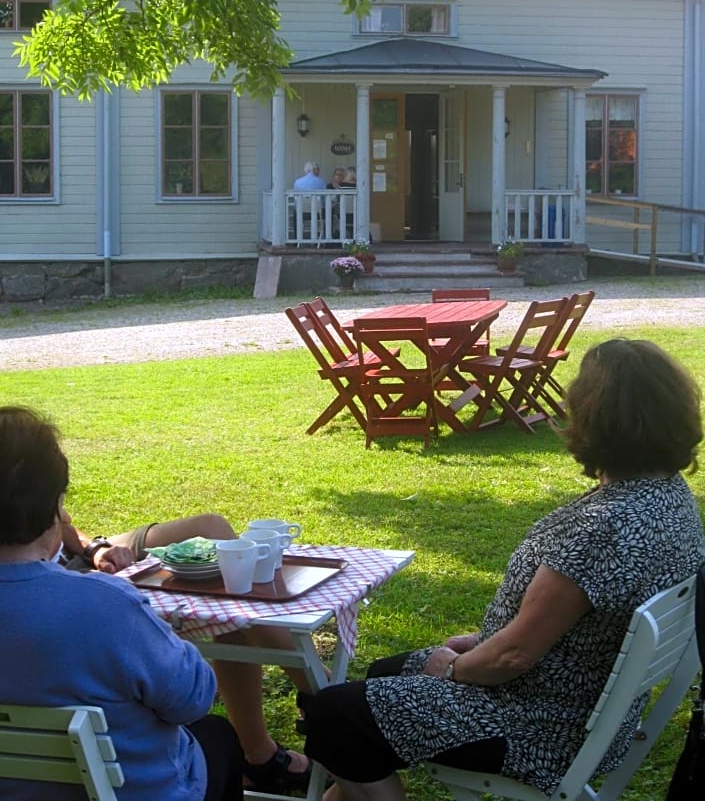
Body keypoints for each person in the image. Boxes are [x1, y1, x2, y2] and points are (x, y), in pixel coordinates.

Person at [303, 339, 705, 801]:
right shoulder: (672, 501)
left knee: (335, 713)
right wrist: (481, 643)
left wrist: (455, 669)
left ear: (594, 421)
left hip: (536, 727)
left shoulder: (601, 527)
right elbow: (575, 628)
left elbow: (512, 658)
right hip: (586, 710)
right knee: (382, 674)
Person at [0, 405, 244, 801]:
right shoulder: (106, 606)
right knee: (217, 737)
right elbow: (193, 700)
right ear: (55, 506)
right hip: (137, 789)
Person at [58, 511, 313, 793]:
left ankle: (285, 726)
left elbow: (54, 520)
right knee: (230, 600)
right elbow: (191, 700)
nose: (64, 512)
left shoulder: (41, 512)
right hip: (57, 571)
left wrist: (93, 549)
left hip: (57, 556)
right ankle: (320, 698)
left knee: (210, 528)